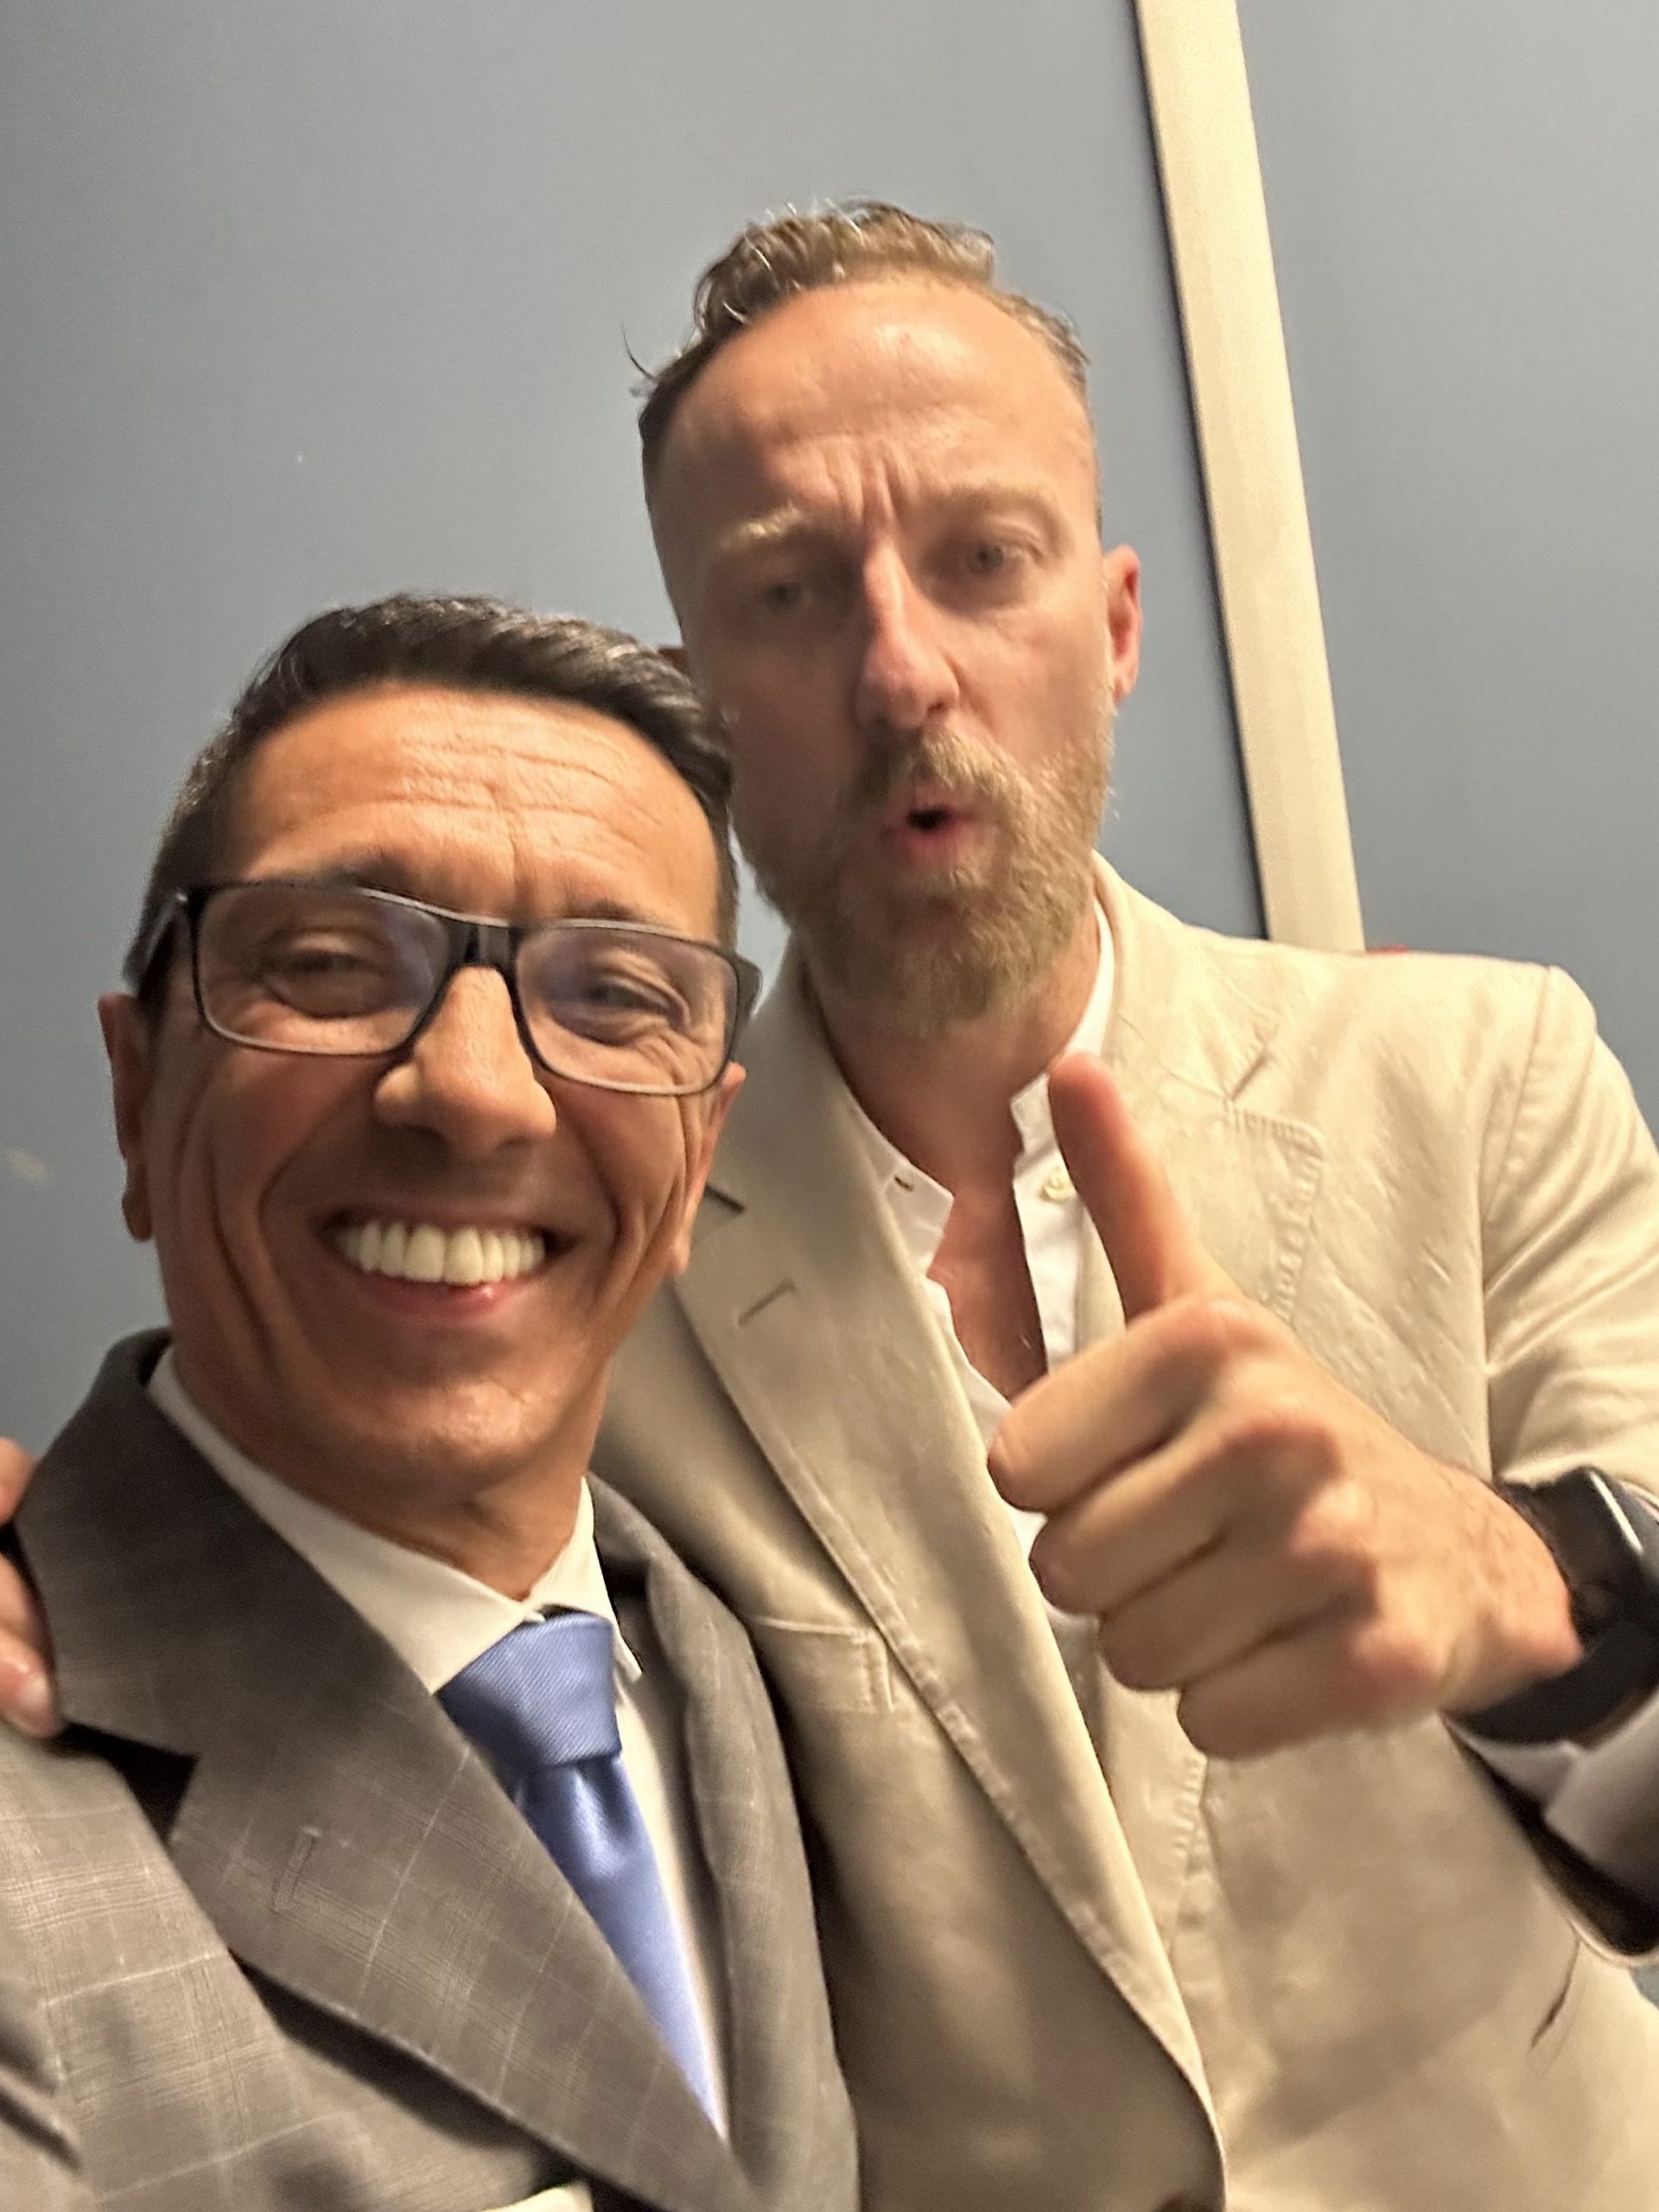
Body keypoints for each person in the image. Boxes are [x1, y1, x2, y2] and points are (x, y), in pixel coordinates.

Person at [5, 203, 1659, 2210]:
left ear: (1115, 626)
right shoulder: (582, 1235)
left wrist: (1528, 1592)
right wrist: (64, 1551)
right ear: (704, 694)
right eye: (788, 593)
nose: (899, 668)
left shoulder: (1482, 1079)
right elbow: (280, 1460)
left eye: (986, 559)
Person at [0, 595, 856, 2212]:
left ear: (698, 1160)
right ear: (137, 1092)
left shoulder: (728, 1659)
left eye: (616, 995)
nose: (472, 1090)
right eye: (329, 964)